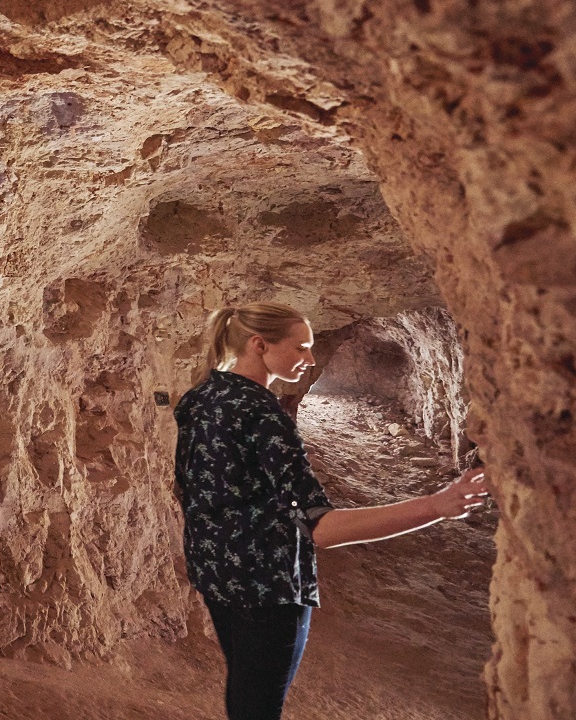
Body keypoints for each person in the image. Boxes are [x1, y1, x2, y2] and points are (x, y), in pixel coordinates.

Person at [175, 302, 491, 720]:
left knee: (245, 687)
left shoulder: (200, 396)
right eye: (301, 348)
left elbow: (190, 487)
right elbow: (321, 528)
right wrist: (437, 505)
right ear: (258, 345)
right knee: (258, 704)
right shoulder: (266, 415)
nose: (309, 359)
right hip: (267, 587)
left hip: (214, 569)